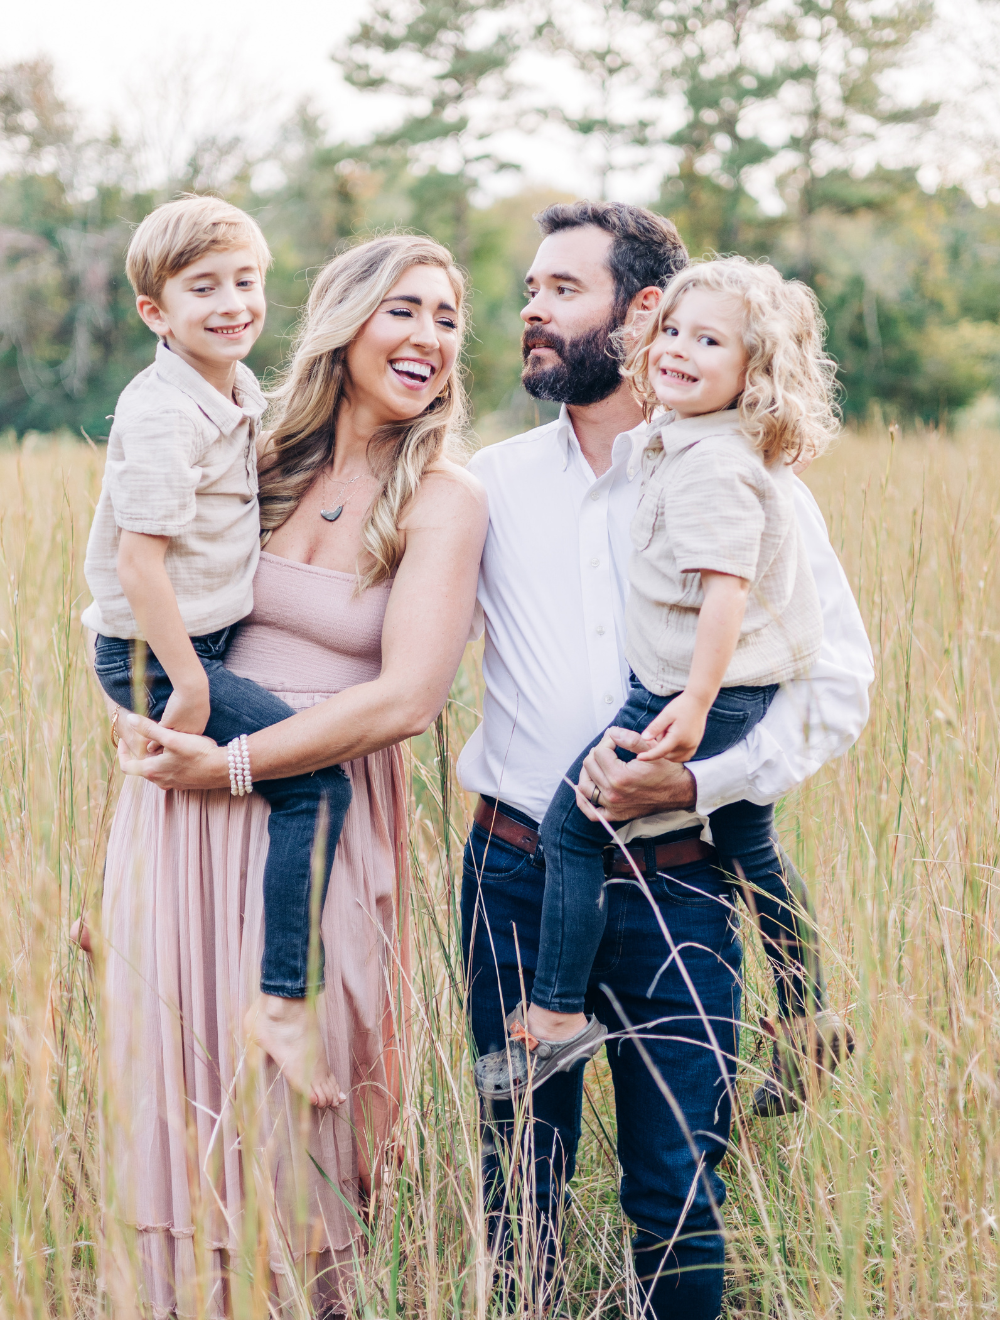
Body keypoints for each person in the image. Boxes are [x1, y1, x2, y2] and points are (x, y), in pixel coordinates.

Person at [458, 201, 873, 1318]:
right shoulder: (484, 485)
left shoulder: (751, 480)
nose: (531, 311)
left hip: (683, 881)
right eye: (530, 290)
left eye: (561, 290)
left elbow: (836, 686)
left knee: (678, 1188)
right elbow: (396, 658)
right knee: (516, 1190)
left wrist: (696, 782)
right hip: (511, 880)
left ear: (641, 310)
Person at [96, 233, 488, 1317]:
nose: (428, 338)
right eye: (404, 310)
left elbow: (407, 700)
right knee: (176, 1098)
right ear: (344, 321)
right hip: (178, 813)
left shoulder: (443, 497)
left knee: (296, 1118)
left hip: (314, 824)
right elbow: (151, 625)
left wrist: (230, 765)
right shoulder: (247, 452)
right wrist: (124, 821)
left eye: (448, 319)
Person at [473, 255, 849, 1102]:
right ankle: (807, 1013)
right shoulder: (683, 445)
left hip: (691, 693)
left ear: (754, 371)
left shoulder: (711, 466)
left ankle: (558, 1021)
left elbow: (725, 595)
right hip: (735, 689)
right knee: (751, 842)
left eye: (706, 339)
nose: (678, 348)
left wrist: (693, 708)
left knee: (575, 828)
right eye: (673, 332)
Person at [82, 193, 352, 1107]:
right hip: (158, 651)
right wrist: (188, 684)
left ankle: (105, 904)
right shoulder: (161, 415)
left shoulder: (232, 387)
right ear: (156, 312)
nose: (234, 302)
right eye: (205, 288)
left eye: (246, 281)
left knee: (167, 771)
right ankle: (283, 1000)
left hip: (195, 635)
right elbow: (137, 561)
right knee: (315, 783)